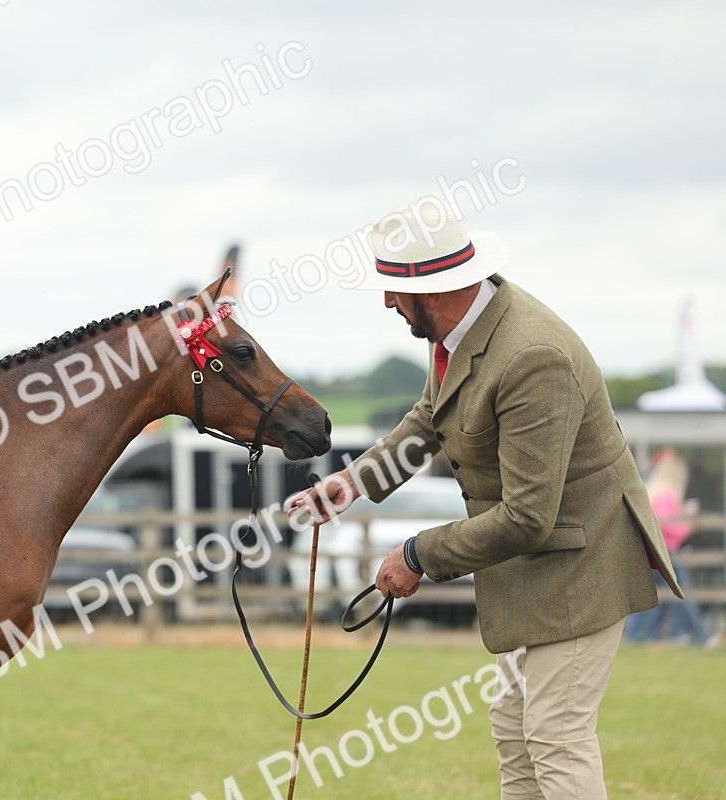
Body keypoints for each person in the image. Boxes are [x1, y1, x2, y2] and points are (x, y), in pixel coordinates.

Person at [287, 205, 682, 800]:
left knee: (555, 740)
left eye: (395, 288)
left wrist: (418, 555)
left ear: (433, 291)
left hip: (580, 565)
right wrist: (354, 483)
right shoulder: (456, 330)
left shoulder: (532, 357)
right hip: (535, 566)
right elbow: (430, 417)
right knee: (515, 734)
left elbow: (527, 515)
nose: (389, 302)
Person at [625, 447, 713, 645]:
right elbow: (665, 527)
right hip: (666, 553)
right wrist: (687, 526)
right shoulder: (667, 495)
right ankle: (701, 636)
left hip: (655, 553)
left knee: (655, 599)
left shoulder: (655, 492)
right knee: (683, 595)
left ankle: (642, 637)